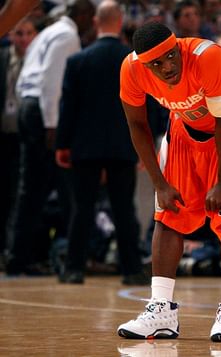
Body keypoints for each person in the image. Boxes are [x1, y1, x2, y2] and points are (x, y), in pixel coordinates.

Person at [116, 22, 221, 342]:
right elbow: (137, 126)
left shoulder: (207, 57)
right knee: (168, 211)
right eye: (157, 64)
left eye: (171, 56)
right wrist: (159, 183)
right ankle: (162, 308)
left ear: (178, 46)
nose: (168, 67)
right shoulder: (130, 70)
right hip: (185, 127)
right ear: (144, 64)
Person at [55, 0, 146, 285]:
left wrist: (62, 144)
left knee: (82, 208)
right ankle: (131, 270)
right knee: (123, 209)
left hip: (86, 146)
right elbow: (148, 106)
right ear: (120, 22)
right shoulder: (134, 60)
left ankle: (73, 269)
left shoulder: (78, 61)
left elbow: (67, 106)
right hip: (124, 144)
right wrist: (147, 147)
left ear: (96, 22)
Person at [6, 0, 95, 276]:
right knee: (34, 191)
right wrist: (52, 125)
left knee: (35, 190)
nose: (91, 23)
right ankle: (21, 258)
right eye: (90, 17)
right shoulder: (66, 36)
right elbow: (51, 82)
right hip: (43, 114)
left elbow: (26, 80)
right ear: (81, 14)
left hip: (29, 107)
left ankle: (31, 256)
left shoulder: (48, 32)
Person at [0, 17, 37, 269]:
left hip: (24, 138)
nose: (23, 38)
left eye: (28, 33)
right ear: (11, 35)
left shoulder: (37, 59)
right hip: (2, 136)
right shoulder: (2, 58)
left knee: (19, 197)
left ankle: (15, 251)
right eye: (18, 33)